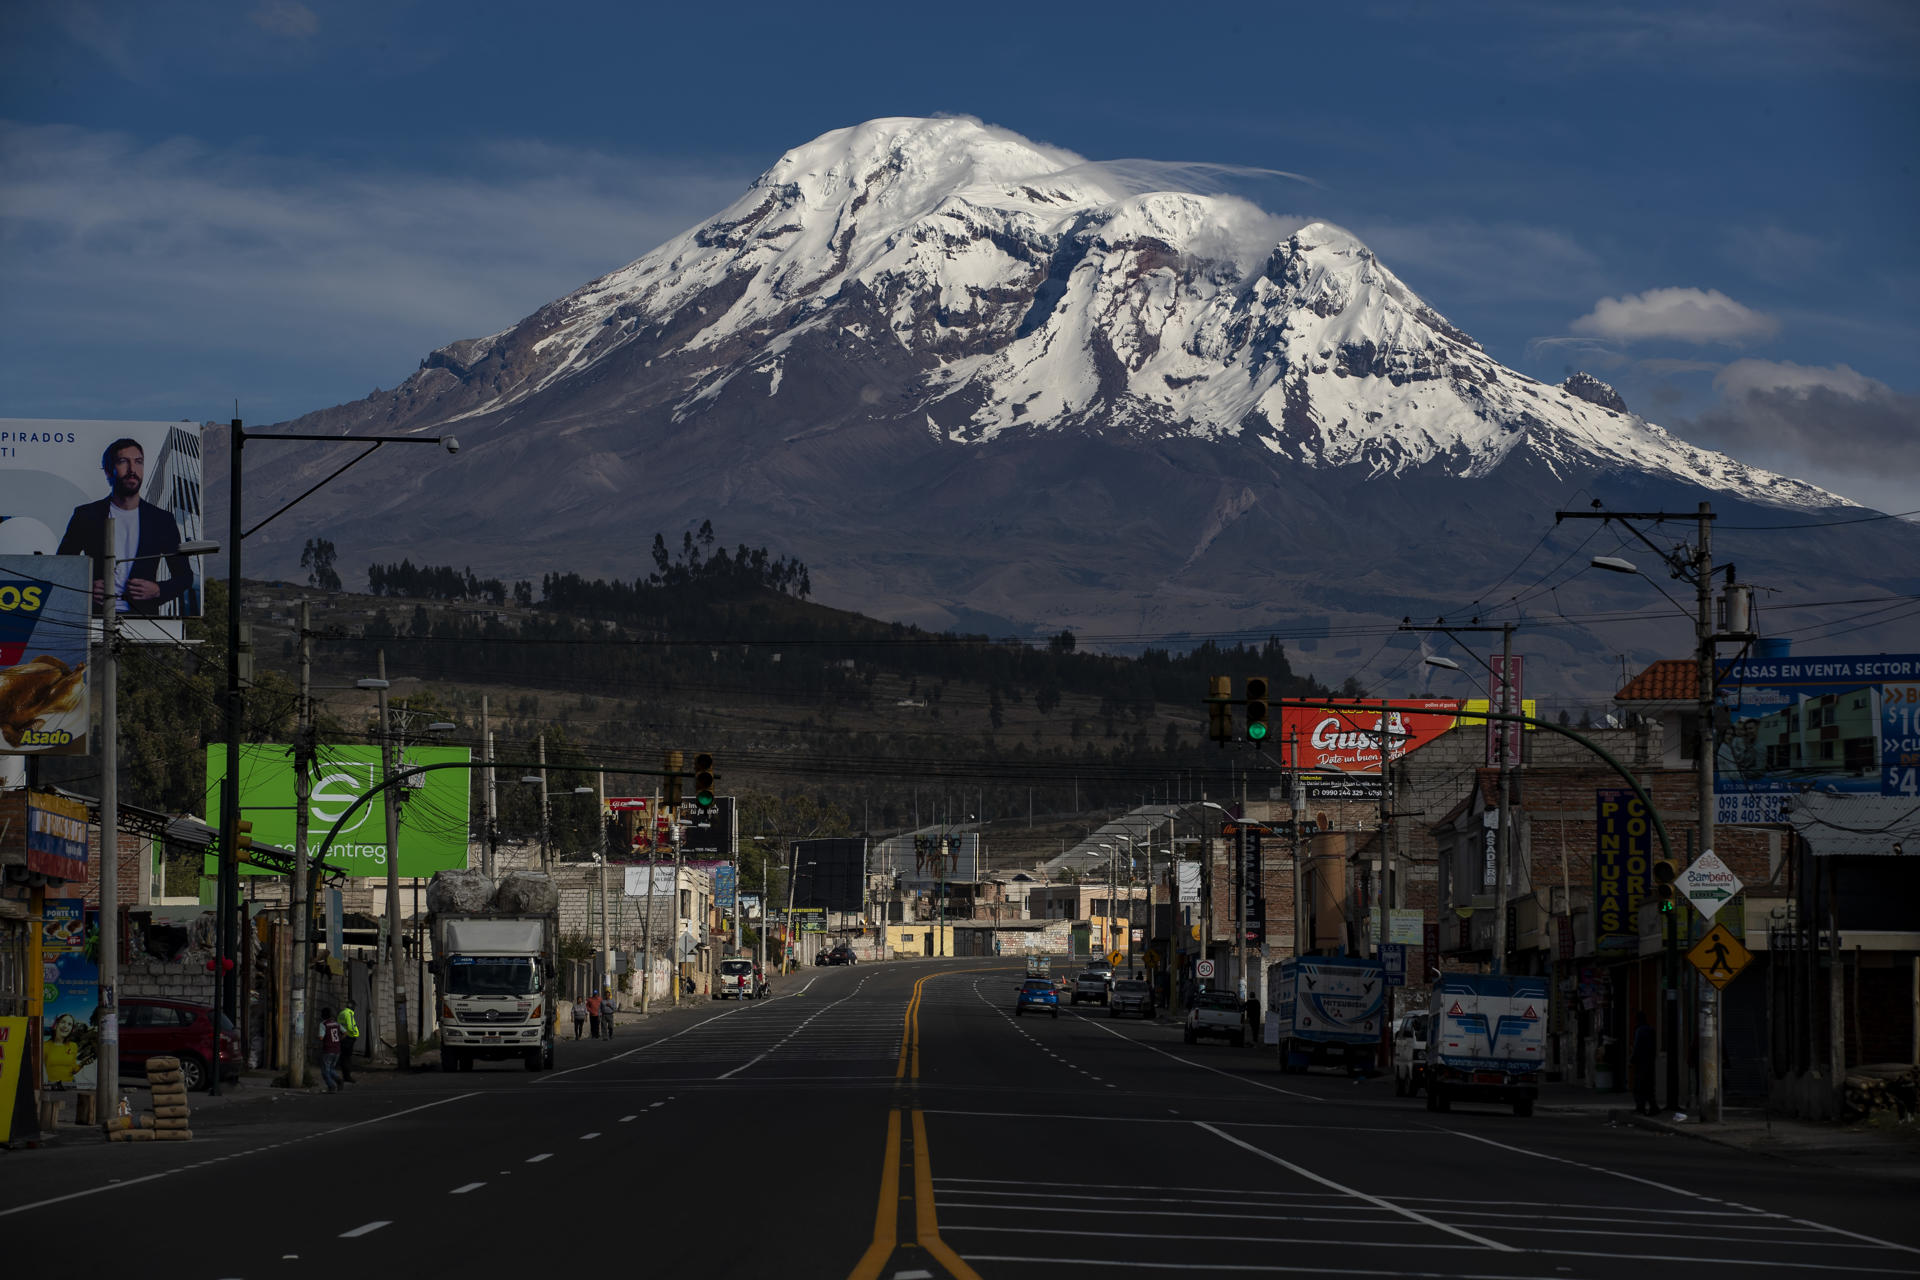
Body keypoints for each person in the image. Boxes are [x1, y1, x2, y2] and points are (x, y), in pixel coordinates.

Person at [55, 437, 195, 616]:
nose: (132, 470)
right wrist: (85, 586)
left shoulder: (162, 520)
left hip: (143, 621)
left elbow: (184, 577)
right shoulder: (86, 515)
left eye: (138, 462)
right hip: (93, 619)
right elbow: (61, 566)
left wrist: (158, 590)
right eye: (123, 462)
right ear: (108, 471)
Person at [1630, 1010, 1658, 1115]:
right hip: (1650, 1062)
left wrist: (1632, 1058)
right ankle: (1653, 1106)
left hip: (1641, 1062)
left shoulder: (1640, 1030)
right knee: (1649, 1086)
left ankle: (1640, 1107)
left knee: (1639, 1086)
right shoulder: (1651, 1030)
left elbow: (1637, 1047)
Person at [319, 1007, 343, 1093]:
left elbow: (321, 1037)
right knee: (331, 1068)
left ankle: (332, 1086)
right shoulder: (336, 1024)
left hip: (328, 1050)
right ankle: (339, 1080)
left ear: (322, 1015)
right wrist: (339, 1040)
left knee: (325, 1071)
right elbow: (345, 1032)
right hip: (337, 1050)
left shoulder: (323, 1024)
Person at [337, 999, 359, 1083]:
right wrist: (356, 1033)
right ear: (353, 1007)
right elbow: (350, 1026)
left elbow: (339, 1025)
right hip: (349, 1038)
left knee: (343, 1058)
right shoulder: (349, 1014)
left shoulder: (341, 1013)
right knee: (347, 1058)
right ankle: (348, 1077)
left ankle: (345, 1075)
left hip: (342, 1037)